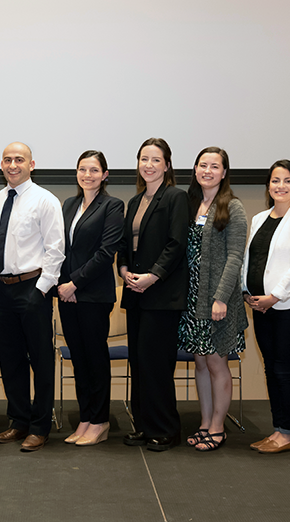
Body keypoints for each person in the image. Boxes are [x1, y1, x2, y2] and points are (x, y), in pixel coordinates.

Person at [0, 142, 65, 452]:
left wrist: (41, 289)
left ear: (32, 164)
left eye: (19, 159)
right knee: (11, 360)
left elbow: (55, 248)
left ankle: (40, 426)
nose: (13, 164)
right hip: (2, 290)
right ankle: (18, 421)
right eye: (7, 159)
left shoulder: (45, 200)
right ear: (1, 164)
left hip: (34, 289)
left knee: (41, 360)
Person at [118, 138, 189, 452]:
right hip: (136, 294)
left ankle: (166, 429)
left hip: (162, 295)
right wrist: (123, 270)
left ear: (167, 165)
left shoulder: (175, 198)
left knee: (157, 364)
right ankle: (145, 427)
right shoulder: (135, 202)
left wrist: (152, 277)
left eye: (155, 159)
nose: (148, 165)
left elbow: (176, 244)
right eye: (143, 159)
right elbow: (125, 245)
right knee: (140, 361)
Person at [242, 160, 290, 454]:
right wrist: (247, 292)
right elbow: (252, 260)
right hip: (261, 307)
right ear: (268, 185)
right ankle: (277, 430)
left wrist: (275, 296)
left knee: (284, 371)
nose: (280, 186)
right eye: (275, 180)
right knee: (271, 370)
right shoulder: (259, 218)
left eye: (287, 181)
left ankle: (287, 433)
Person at [178, 146, 247, 452]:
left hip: (217, 300)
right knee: (200, 363)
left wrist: (220, 298)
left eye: (214, 166)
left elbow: (235, 258)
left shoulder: (232, 207)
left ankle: (218, 427)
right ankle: (205, 422)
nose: (207, 171)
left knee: (218, 363)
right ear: (195, 170)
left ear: (224, 172)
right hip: (192, 299)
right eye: (202, 165)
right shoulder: (190, 203)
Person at [58, 150, 124, 446]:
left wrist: (75, 283)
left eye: (94, 170)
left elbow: (106, 252)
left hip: (94, 295)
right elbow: (61, 248)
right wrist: (63, 285)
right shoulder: (70, 204)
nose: (88, 175)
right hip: (67, 294)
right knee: (79, 360)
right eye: (83, 169)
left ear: (105, 175)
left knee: (95, 359)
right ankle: (85, 419)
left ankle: (100, 421)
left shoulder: (112, 206)